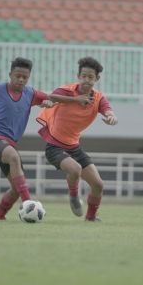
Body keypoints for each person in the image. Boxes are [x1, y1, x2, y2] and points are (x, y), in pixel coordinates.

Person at [0, 57, 89, 220]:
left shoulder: (30, 94)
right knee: (14, 157)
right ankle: (29, 203)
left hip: (9, 142)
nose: (21, 79)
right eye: (18, 76)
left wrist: (74, 100)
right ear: (10, 74)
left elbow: (52, 97)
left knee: (16, 187)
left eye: (25, 77)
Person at [36, 57, 118, 221]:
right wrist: (56, 102)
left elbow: (108, 110)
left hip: (74, 147)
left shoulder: (99, 98)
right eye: (84, 76)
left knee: (98, 185)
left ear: (97, 79)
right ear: (78, 76)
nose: (87, 80)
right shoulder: (66, 90)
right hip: (55, 147)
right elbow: (51, 97)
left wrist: (111, 117)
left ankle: (91, 217)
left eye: (91, 77)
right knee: (75, 170)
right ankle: (74, 196)